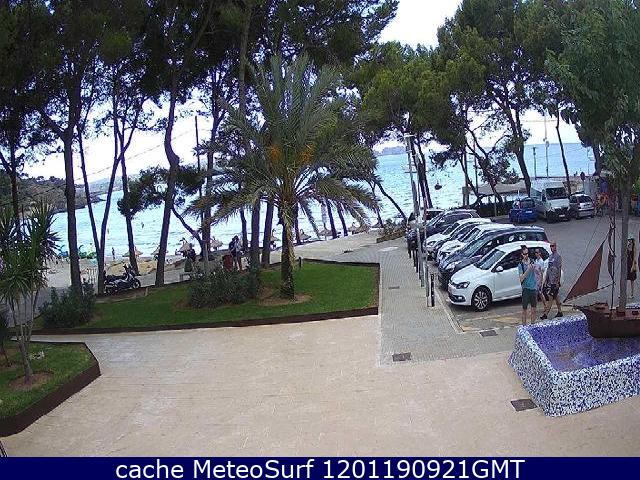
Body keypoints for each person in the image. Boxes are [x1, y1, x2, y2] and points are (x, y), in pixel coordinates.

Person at [541, 241, 563, 320]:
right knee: (556, 297)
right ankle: (560, 311)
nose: (551, 247)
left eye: (553, 246)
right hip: (550, 281)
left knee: (551, 297)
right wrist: (546, 280)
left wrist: (558, 281)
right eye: (550, 246)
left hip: (555, 281)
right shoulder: (550, 257)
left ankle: (545, 314)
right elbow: (548, 269)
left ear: (556, 246)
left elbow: (559, 269)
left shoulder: (558, 257)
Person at [518, 245, 537, 325]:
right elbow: (521, 279)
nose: (526, 255)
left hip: (533, 288)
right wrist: (528, 270)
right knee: (524, 309)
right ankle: (524, 326)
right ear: (522, 254)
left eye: (527, 253)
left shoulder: (532, 261)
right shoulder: (521, 265)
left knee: (534, 309)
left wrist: (536, 269)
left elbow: (537, 272)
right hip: (525, 289)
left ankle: (532, 325)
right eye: (525, 254)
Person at [533, 248, 548, 314]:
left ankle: (544, 306)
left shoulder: (541, 262)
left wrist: (541, 282)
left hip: (539, 280)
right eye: (535, 252)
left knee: (539, 294)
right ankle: (543, 306)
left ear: (540, 253)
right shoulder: (536, 260)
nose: (536, 254)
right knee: (538, 294)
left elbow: (541, 273)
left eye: (537, 252)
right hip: (535, 280)